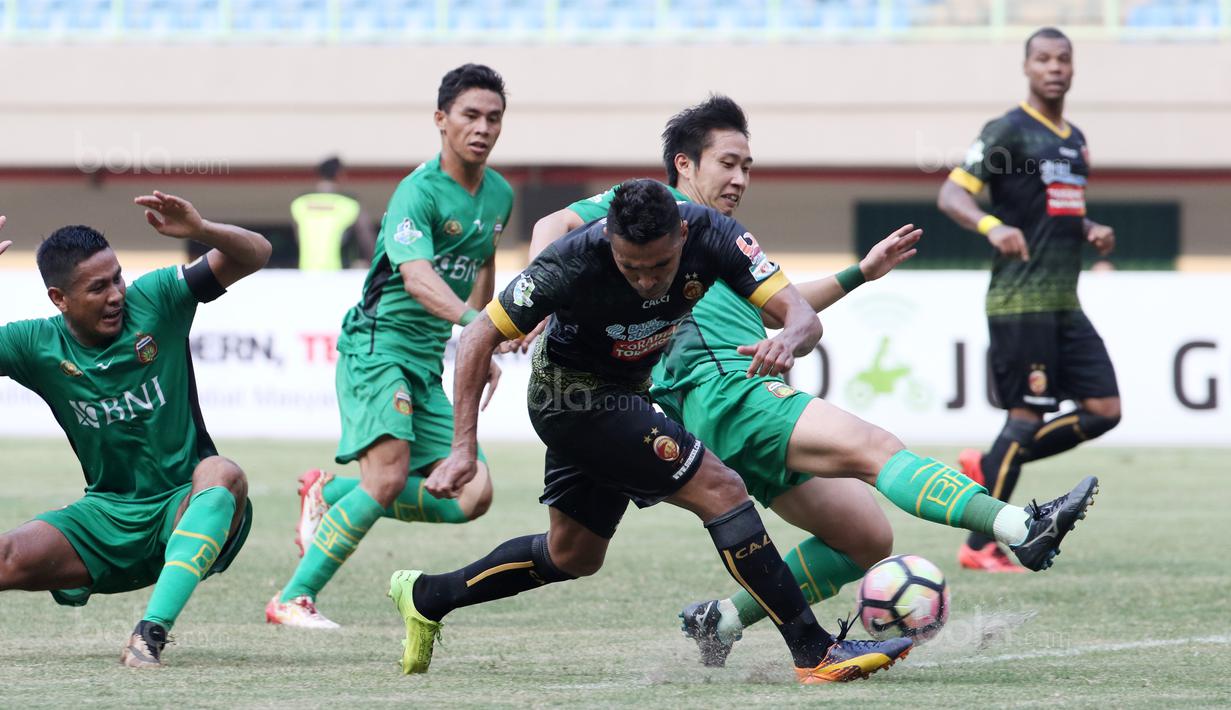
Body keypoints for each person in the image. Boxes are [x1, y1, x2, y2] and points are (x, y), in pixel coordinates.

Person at [532, 96, 1100, 667]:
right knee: (875, 448)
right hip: (725, 389)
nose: (739, 178)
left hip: (723, 402)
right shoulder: (660, 220)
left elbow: (786, 309)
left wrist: (860, 274)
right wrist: (539, 300)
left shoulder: (712, 241)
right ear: (684, 164)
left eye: (747, 167)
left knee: (865, 539)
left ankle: (721, 621)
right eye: (727, 163)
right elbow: (553, 223)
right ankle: (1020, 526)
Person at [388, 179, 917, 685]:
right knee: (723, 489)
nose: (645, 280)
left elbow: (800, 315)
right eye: (629, 267)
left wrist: (789, 341)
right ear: (608, 242)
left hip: (629, 393)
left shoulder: (716, 236)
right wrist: (464, 450)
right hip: (568, 400)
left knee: (573, 554)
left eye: (659, 266)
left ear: (682, 237)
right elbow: (479, 335)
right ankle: (815, 652)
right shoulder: (570, 260)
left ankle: (428, 595)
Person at [267, 63, 513, 628]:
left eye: (493, 118)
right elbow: (418, 279)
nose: (482, 127)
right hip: (377, 346)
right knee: (385, 477)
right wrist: (478, 324)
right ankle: (292, 599)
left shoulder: (498, 194)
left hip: (425, 359)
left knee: (472, 492)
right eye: (470, 115)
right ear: (441, 120)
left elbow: (483, 264)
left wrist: (487, 337)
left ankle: (330, 504)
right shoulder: (417, 192)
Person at [0, 193, 271, 668]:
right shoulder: (33, 344)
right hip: (105, 517)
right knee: (6, 555)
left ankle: (149, 636)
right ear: (59, 299)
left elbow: (256, 254)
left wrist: (201, 228)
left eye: (117, 278)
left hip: (185, 504)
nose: (116, 295)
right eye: (98, 287)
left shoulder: (158, 299)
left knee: (223, 472)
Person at [938, 27, 1120, 573]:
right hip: (1020, 302)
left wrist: (1087, 226)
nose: (1054, 67)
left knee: (1105, 410)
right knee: (1024, 418)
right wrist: (991, 226)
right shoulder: (1009, 131)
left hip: (1065, 302)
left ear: (1073, 67)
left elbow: (1051, 207)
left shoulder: (1076, 139)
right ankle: (978, 546)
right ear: (1027, 67)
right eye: (1043, 59)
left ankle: (989, 466)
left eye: (1063, 59)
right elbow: (951, 194)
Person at [291, 156, 377, 270]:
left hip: (306, 273)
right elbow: (367, 241)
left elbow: (298, 239)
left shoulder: (300, 203)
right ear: (339, 175)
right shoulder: (350, 204)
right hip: (339, 276)